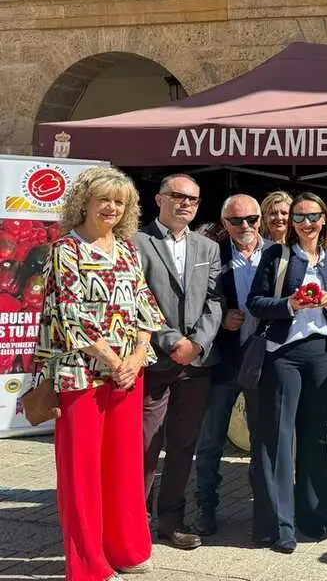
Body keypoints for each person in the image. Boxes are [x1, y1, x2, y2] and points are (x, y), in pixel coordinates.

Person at [36, 166, 164, 581]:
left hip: (128, 372)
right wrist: (113, 361)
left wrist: (139, 352)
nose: (111, 207)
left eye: (119, 201)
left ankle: (125, 549)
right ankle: (89, 564)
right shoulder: (64, 251)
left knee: (124, 467)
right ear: (84, 201)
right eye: (103, 199)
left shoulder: (126, 249)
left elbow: (145, 306)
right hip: (80, 375)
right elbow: (69, 315)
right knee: (83, 473)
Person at [247, 192, 327, 553]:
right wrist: (290, 304)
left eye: (313, 217)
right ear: (291, 223)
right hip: (284, 354)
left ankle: (316, 515)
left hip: (323, 352)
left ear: (324, 220)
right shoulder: (276, 254)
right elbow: (256, 302)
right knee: (279, 438)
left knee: (319, 436)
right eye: (299, 218)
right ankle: (281, 525)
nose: (306, 224)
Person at [135, 174, 222, 551]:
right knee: (145, 446)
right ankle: (134, 523)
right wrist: (172, 341)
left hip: (196, 365)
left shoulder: (208, 247)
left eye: (193, 199)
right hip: (154, 360)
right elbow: (136, 298)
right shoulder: (136, 242)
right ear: (159, 199)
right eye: (177, 196)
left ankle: (171, 521)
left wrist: (198, 343)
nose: (185, 204)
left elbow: (216, 301)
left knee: (184, 444)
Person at [193, 195, 272, 536]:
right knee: (210, 441)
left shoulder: (276, 253)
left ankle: (263, 512)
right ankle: (205, 507)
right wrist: (221, 317)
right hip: (223, 361)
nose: (246, 227)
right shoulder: (211, 254)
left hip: (263, 361)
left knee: (262, 441)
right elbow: (195, 300)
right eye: (237, 221)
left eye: (252, 219)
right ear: (224, 224)